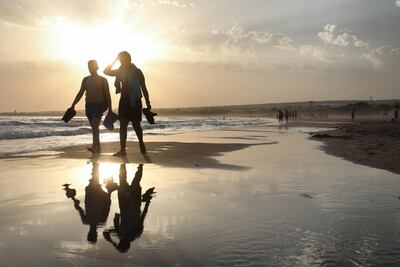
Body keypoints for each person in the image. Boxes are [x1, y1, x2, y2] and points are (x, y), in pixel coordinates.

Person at [104, 51, 151, 156]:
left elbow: (143, 87)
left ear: (129, 59)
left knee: (136, 125)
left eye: (122, 59)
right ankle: (122, 150)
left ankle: (141, 143)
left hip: (135, 101)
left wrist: (148, 101)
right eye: (120, 60)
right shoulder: (120, 71)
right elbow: (106, 71)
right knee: (123, 125)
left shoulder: (137, 71)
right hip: (124, 101)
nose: (122, 61)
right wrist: (115, 59)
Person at [103, 164, 155, 252]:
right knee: (135, 181)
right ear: (126, 243)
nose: (120, 240)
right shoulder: (135, 233)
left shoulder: (121, 233)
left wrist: (113, 243)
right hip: (133, 202)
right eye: (121, 242)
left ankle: (123, 163)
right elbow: (142, 216)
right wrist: (147, 203)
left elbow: (105, 233)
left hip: (125, 203)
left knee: (125, 180)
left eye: (119, 242)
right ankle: (139, 165)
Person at [71, 60, 112, 154]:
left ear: (96, 67)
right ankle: (99, 148)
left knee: (94, 127)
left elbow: (108, 94)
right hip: (88, 106)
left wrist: (110, 108)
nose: (90, 68)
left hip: (99, 105)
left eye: (92, 66)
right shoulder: (85, 79)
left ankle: (94, 147)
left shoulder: (103, 80)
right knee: (94, 128)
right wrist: (73, 104)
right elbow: (80, 92)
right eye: (89, 67)